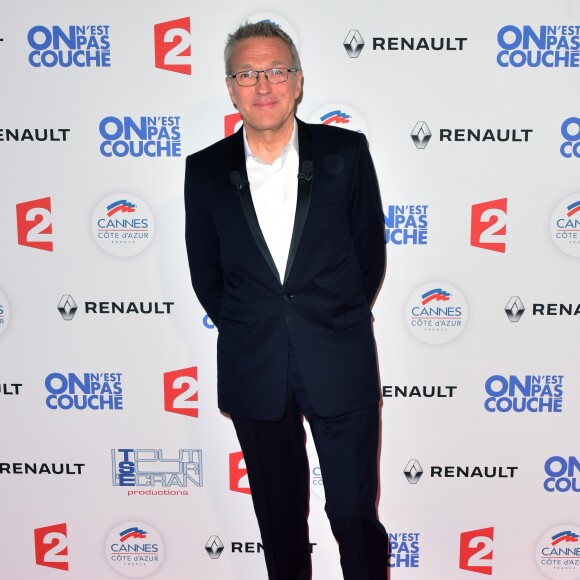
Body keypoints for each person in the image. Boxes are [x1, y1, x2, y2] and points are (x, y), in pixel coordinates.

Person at [184, 20, 388, 580]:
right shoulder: (203, 171)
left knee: (351, 512)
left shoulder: (346, 151)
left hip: (338, 359)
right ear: (230, 87)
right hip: (255, 366)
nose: (264, 84)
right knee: (279, 520)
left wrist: (330, 317)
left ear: (298, 81)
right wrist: (257, 325)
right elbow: (207, 274)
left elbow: (369, 254)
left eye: (276, 70)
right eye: (248, 74)